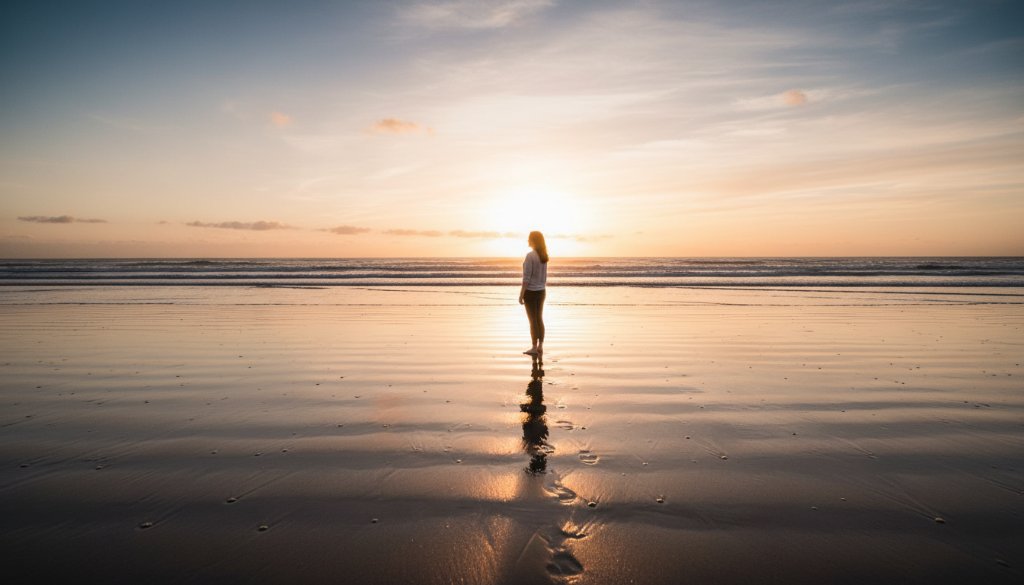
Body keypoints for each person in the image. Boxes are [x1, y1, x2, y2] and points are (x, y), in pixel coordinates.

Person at [519, 231, 548, 355]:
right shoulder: (544, 256)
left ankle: (534, 347)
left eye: (529, 239)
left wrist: (521, 294)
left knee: (532, 320)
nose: (527, 241)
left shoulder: (530, 256)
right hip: (541, 291)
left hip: (531, 292)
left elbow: (526, 278)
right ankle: (540, 345)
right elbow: (544, 276)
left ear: (534, 241)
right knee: (539, 318)